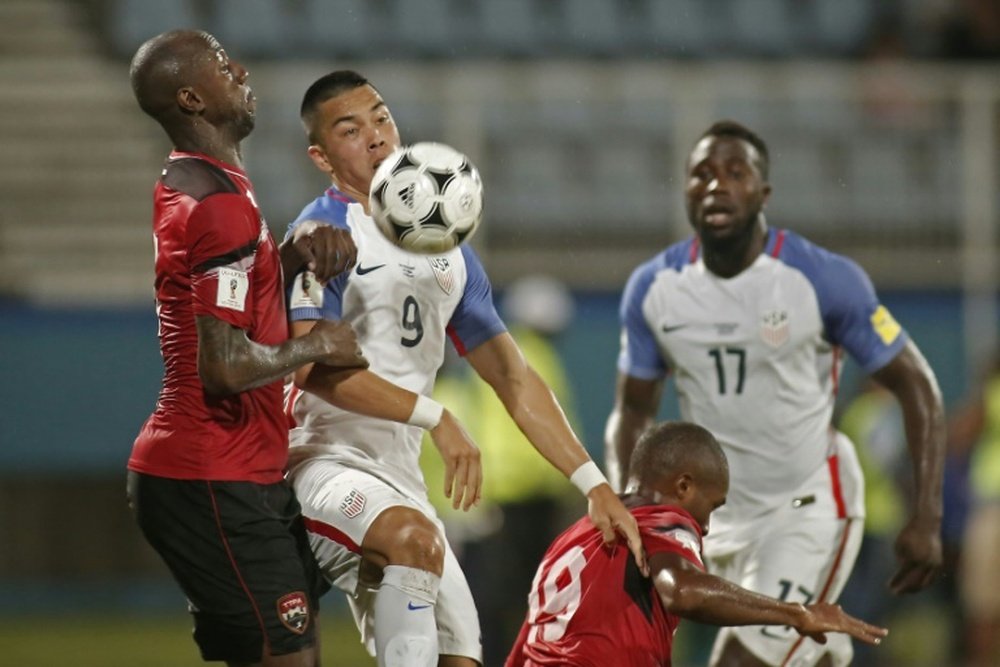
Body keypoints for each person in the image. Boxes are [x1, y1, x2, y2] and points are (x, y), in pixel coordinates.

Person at [281, 70, 646, 667]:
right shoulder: (319, 236)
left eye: (381, 117)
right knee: (412, 541)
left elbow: (513, 376)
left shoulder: (447, 247)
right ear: (321, 156)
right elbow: (311, 366)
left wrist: (593, 485)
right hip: (325, 460)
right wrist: (436, 416)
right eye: (351, 130)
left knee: (462, 654)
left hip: (402, 475)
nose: (375, 137)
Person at [605, 120, 945, 666]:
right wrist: (631, 506)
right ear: (686, 191)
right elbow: (633, 409)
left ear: (763, 193)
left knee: (740, 661)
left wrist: (927, 513)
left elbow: (917, 386)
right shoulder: (654, 289)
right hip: (711, 521)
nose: (716, 185)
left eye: (735, 173)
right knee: (808, 653)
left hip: (807, 506)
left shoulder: (822, 279)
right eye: (701, 174)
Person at [125, 30, 367, 667]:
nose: (239, 69)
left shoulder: (197, 182)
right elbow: (225, 367)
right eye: (219, 64)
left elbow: (219, 293)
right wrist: (320, 341)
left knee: (289, 647)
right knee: (289, 655)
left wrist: (287, 258)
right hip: (212, 473)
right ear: (191, 98)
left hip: (228, 469)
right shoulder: (220, 204)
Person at [506, 420, 889, 667]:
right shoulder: (664, 519)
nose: (705, 526)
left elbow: (524, 647)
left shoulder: (570, 540)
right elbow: (682, 591)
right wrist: (796, 614)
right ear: (684, 486)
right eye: (712, 506)